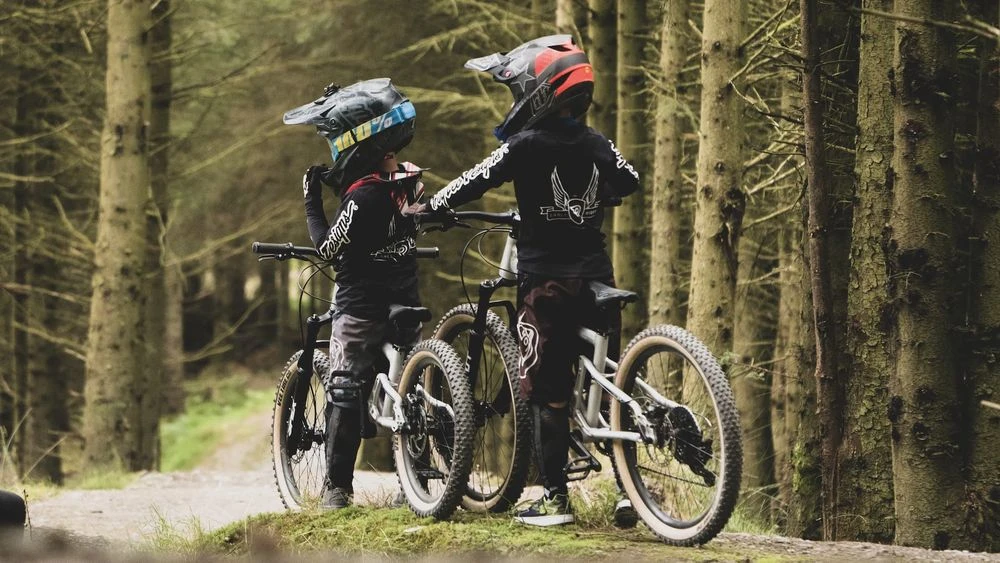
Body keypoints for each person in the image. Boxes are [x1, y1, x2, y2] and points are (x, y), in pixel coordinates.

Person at [423, 35, 640, 527]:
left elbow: (475, 179)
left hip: (547, 285)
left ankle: (556, 499)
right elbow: (629, 179)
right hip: (597, 278)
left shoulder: (524, 146)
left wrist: (432, 206)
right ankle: (628, 493)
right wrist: (599, 194)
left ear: (536, 94)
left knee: (547, 389)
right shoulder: (596, 142)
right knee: (609, 383)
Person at [283, 78, 425, 510]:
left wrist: (311, 201)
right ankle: (417, 481)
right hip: (406, 299)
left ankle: (336, 489)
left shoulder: (362, 197)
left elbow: (329, 247)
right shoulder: (410, 182)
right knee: (411, 388)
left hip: (362, 307)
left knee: (343, 387)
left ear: (356, 143)